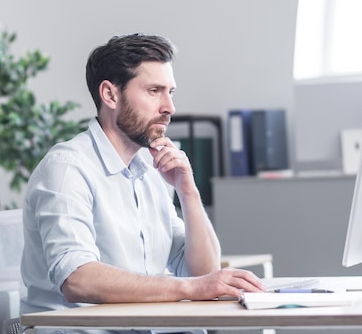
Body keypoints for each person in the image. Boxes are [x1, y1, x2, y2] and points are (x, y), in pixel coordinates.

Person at [20, 33, 266, 317]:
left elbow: (203, 272)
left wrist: (189, 192)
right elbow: (77, 278)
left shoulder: (150, 170)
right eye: (154, 91)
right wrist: (186, 288)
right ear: (110, 95)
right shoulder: (66, 169)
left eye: (170, 92)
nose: (169, 108)